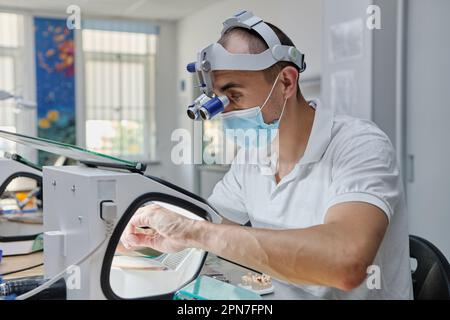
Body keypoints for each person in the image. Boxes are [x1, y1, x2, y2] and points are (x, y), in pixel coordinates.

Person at [121, 12, 413, 299]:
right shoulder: (252, 156)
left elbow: (345, 264)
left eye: (233, 96)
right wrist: (150, 237)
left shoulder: (359, 145)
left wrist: (195, 232)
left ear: (286, 82)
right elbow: (213, 226)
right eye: (218, 100)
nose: (224, 112)